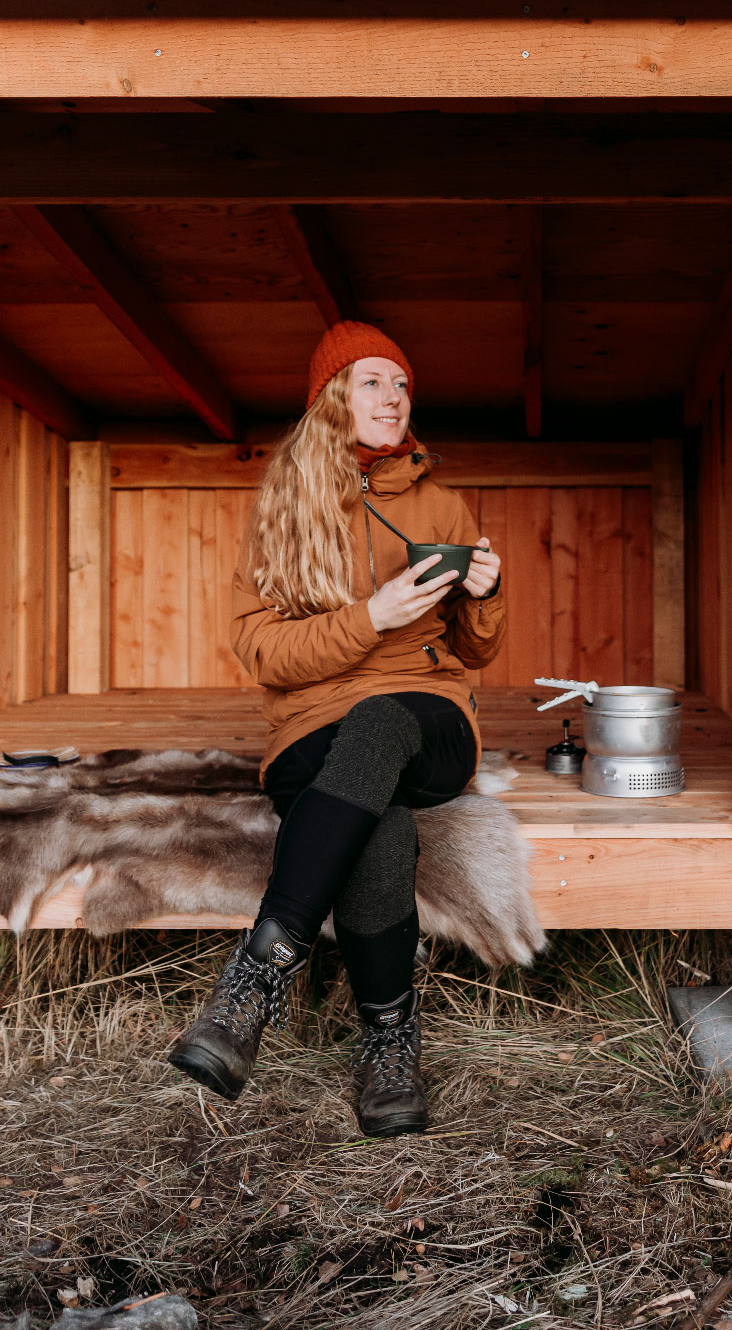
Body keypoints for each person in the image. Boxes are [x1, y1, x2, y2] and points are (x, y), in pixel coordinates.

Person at [167, 321, 505, 1136]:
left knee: (383, 721)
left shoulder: (441, 501)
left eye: (402, 384)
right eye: (373, 382)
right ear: (331, 399)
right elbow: (263, 653)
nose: (394, 398)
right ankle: (391, 1048)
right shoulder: (285, 508)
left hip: (427, 716)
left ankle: (254, 980)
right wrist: (370, 617)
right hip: (313, 722)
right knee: (379, 821)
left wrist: (487, 596)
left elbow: (472, 649)